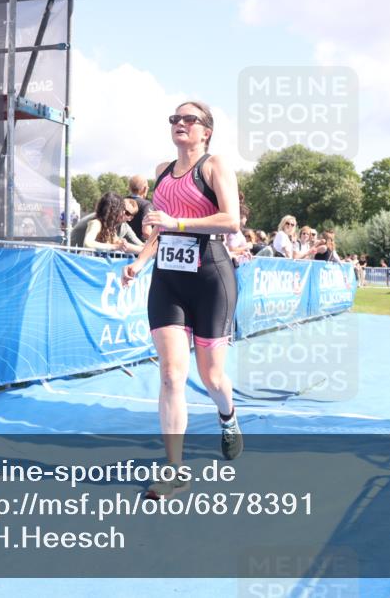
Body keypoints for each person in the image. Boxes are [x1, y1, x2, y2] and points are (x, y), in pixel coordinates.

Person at [120, 100, 243, 500]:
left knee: (211, 377)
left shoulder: (214, 166)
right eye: (175, 118)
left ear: (206, 130)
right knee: (172, 374)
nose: (180, 124)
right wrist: (139, 261)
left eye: (189, 119)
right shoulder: (160, 172)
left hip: (211, 276)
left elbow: (232, 220)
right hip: (168, 280)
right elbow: (159, 228)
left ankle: (228, 416)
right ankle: (175, 471)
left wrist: (181, 223)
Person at [126, 174, 154, 239]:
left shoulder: (121, 202)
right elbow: (147, 232)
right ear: (145, 189)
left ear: (129, 188)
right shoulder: (146, 205)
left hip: (121, 245)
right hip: (139, 246)